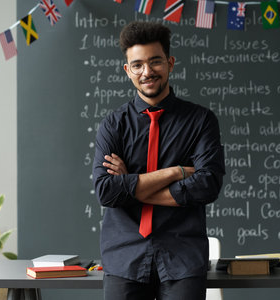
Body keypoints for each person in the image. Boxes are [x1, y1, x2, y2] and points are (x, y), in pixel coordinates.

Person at [92, 21, 226, 300]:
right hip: (123, 255)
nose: (147, 71)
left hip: (183, 255)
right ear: (127, 70)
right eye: (138, 64)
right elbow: (106, 191)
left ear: (170, 63)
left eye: (155, 62)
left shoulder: (200, 121)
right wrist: (175, 172)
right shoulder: (113, 125)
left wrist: (130, 186)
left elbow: (208, 185)